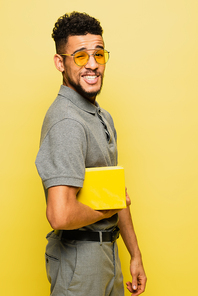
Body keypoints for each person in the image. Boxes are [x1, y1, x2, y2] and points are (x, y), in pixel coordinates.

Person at [35, 11, 147, 296]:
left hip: (106, 252)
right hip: (80, 261)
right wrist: (110, 207)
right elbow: (59, 215)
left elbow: (113, 192)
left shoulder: (101, 116)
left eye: (99, 54)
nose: (93, 65)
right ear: (60, 62)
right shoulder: (67, 122)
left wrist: (134, 253)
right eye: (81, 56)